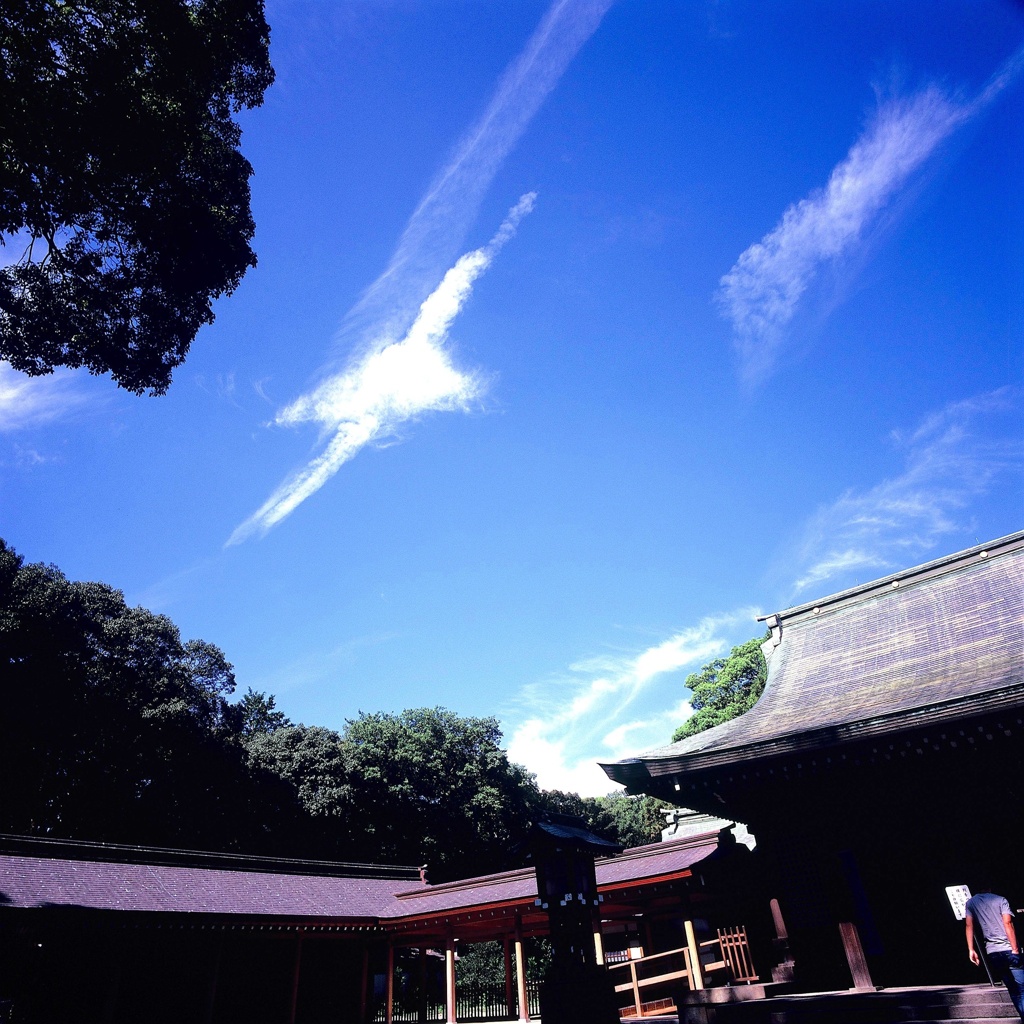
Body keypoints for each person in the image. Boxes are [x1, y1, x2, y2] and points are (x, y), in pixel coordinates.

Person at [965, 887, 1024, 1020]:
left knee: (1013, 991)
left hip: (992, 951)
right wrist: (1015, 949)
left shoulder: (971, 903)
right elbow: (1008, 923)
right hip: (1009, 948)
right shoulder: (1000, 900)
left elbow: (969, 925)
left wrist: (971, 949)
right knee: (1022, 989)